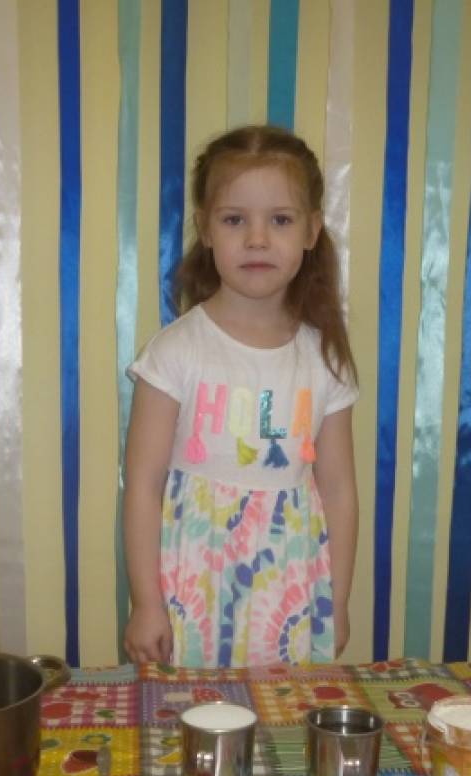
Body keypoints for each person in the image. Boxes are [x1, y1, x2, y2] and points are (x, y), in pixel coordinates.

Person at [122, 125, 359, 668]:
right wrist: (145, 603)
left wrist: (337, 600)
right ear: (206, 228)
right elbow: (142, 486)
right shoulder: (175, 351)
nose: (257, 239)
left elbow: (340, 492)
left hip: (291, 595)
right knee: (191, 715)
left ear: (311, 230)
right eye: (234, 220)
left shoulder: (323, 359)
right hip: (188, 594)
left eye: (280, 220)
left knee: (283, 717)